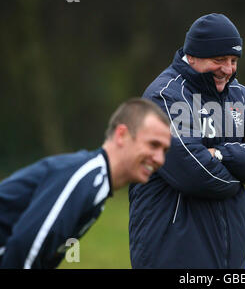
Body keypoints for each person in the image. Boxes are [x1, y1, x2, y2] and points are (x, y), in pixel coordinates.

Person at [129, 13, 245, 268]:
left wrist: (221, 154)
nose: (228, 69)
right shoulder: (165, 96)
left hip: (231, 259)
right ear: (192, 56)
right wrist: (240, 169)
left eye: (233, 60)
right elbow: (198, 175)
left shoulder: (240, 95)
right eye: (219, 59)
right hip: (173, 255)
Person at [0, 98, 171, 269]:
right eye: (153, 145)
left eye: (164, 150)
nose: (160, 159)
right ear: (122, 135)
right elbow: (24, 248)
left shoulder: (97, 185)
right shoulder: (86, 178)